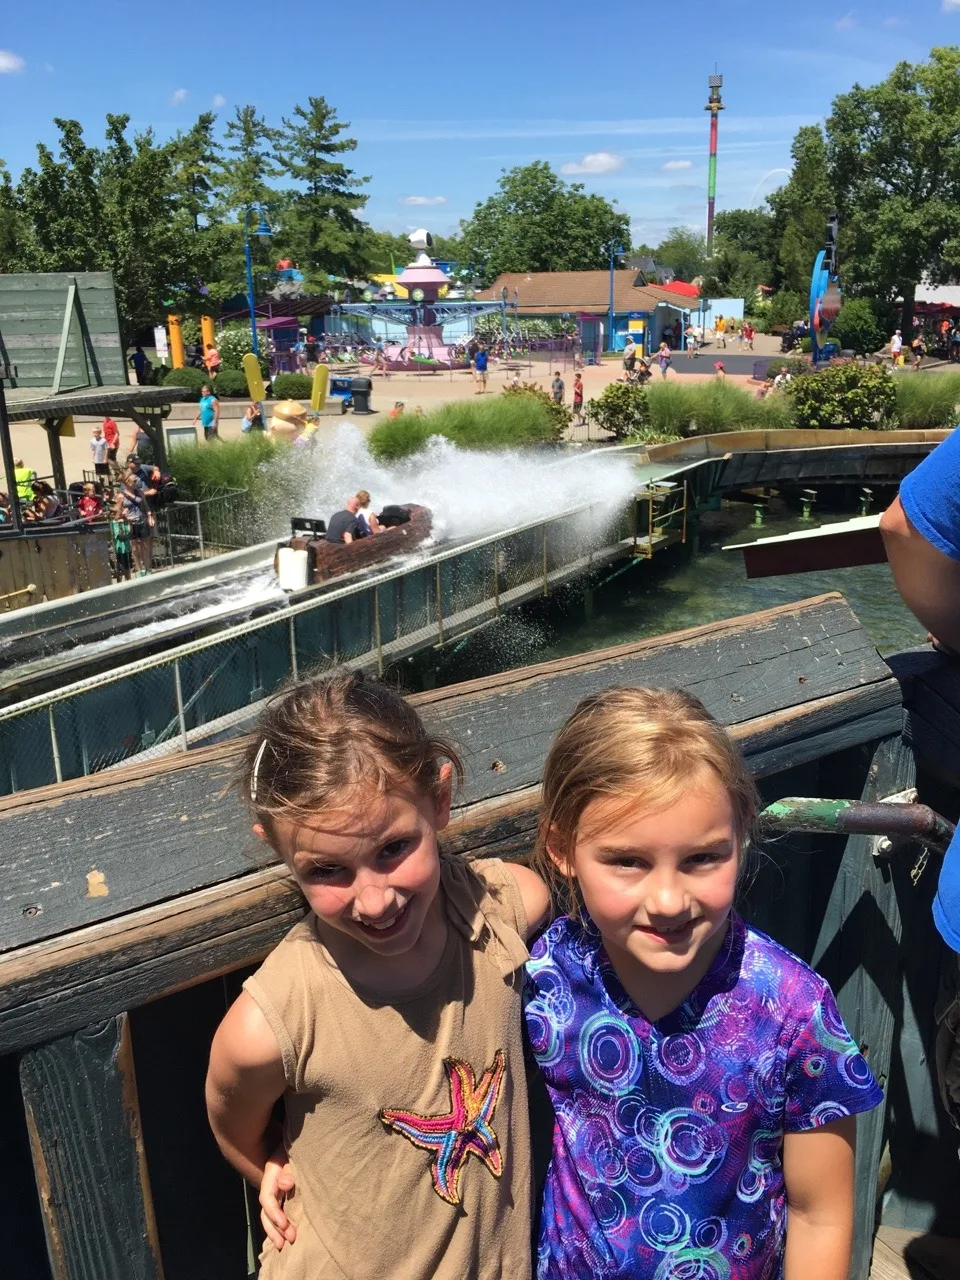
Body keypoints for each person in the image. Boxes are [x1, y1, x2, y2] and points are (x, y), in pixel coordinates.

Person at [525, 686, 883, 1279]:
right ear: (561, 849)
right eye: (627, 861)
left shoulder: (794, 1010)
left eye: (701, 859)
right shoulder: (541, 978)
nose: (668, 900)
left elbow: (819, 1214)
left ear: (742, 832)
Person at [205, 673, 549, 1278]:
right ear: (279, 849)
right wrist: (271, 1167)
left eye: (393, 849)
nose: (374, 900)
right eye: (327, 870)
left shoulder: (501, 912)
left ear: (439, 800)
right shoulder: (272, 1022)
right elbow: (230, 1116)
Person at [113, 473, 153, 575]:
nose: (137, 482)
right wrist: (123, 515)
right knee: (135, 548)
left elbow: (145, 505)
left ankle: (148, 568)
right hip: (131, 523)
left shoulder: (140, 492)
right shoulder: (121, 496)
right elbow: (117, 513)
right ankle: (139, 570)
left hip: (142, 520)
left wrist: (149, 516)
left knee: (145, 546)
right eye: (134, 481)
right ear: (127, 482)